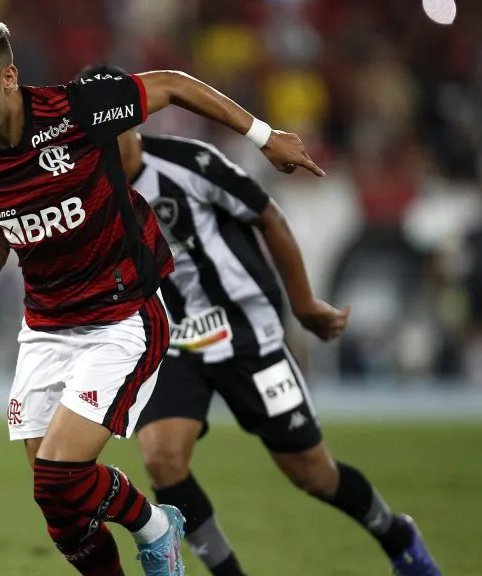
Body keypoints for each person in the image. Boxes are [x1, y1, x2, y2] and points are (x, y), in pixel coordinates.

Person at [0, 17, 323, 576]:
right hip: (46, 327)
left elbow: (172, 83)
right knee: (59, 508)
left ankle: (154, 525)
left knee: (60, 475)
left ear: (8, 78)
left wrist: (266, 138)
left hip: (122, 317)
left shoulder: (77, 110)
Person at [74, 63, 443, 576]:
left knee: (313, 474)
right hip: (172, 343)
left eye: (105, 130)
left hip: (248, 333)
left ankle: (395, 532)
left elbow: (267, 215)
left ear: (131, 120)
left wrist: (304, 302)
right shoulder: (88, 196)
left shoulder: (191, 163)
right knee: (161, 458)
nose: (96, 145)